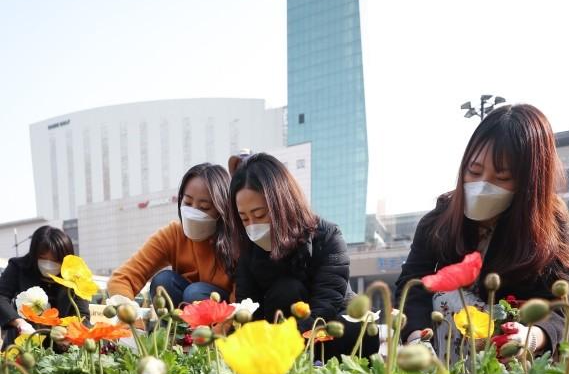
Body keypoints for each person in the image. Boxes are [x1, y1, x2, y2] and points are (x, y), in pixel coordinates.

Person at [394, 104, 569, 362]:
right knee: (443, 297)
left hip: (517, 354)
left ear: (530, 181)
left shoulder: (552, 225)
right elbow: (412, 285)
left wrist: (532, 337)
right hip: (444, 354)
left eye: (502, 178)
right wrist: (418, 338)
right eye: (474, 171)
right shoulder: (439, 220)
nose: (483, 185)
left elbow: (565, 307)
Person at [228, 153, 379, 360]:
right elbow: (248, 306)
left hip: (326, 324)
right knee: (284, 290)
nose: (253, 226)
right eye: (244, 219)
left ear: (283, 204)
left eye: (260, 214)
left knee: (358, 329)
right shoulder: (248, 250)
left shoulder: (327, 236)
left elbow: (328, 302)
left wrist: (286, 341)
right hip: (278, 333)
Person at [107, 163, 234, 306]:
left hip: (224, 311)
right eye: (187, 202)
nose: (193, 212)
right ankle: (175, 321)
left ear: (222, 209)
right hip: (183, 308)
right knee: (164, 282)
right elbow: (122, 278)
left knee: (195, 293)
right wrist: (128, 314)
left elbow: (241, 299)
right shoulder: (174, 234)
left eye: (204, 207)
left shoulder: (235, 241)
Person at [0, 226, 89, 348]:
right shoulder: (19, 267)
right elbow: (1, 297)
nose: (49, 264)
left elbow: (82, 315)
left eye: (55, 260)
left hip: (61, 347)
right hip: (23, 343)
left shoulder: (75, 276)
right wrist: (19, 323)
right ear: (34, 254)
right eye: (43, 258)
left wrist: (69, 335)